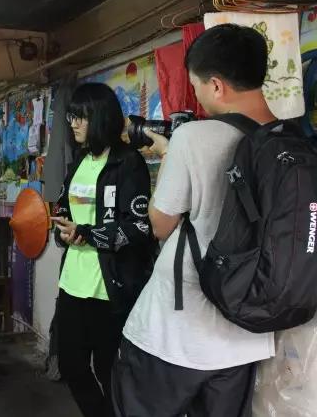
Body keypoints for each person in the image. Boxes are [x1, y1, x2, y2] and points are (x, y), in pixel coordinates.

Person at [112, 24, 277, 417]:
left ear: (216, 85)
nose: (198, 96)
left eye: (197, 86)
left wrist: (168, 156)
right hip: (245, 337)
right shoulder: (291, 141)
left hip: (178, 330)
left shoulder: (193, 137)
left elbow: (160, 225)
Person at [51, 82, 156, 417]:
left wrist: (87, 234)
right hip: (73, 283)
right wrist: (62, 227)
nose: (74, 124)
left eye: (81, 117)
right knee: (71, 366)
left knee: (109, 371)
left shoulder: (128, 163)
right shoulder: (79, 161)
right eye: (71, 117)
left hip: (110, 287)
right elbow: (65, 207)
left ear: (101, 118)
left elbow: (139, 227)